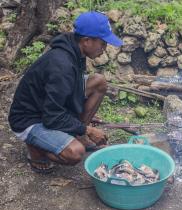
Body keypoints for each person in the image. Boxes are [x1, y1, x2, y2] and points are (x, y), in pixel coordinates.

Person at [8, 11, 123, 173]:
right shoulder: (61, 65)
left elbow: (67, 91)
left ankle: (74, 135)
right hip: (29, 119)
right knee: (75, 153)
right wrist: (87, 129)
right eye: (103, 43)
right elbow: (51, 117)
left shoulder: (76, 50)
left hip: (46, 108)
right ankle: (36, 151)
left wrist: (77, 117)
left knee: (99, 82)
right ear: (87, 41)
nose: (105, 48)